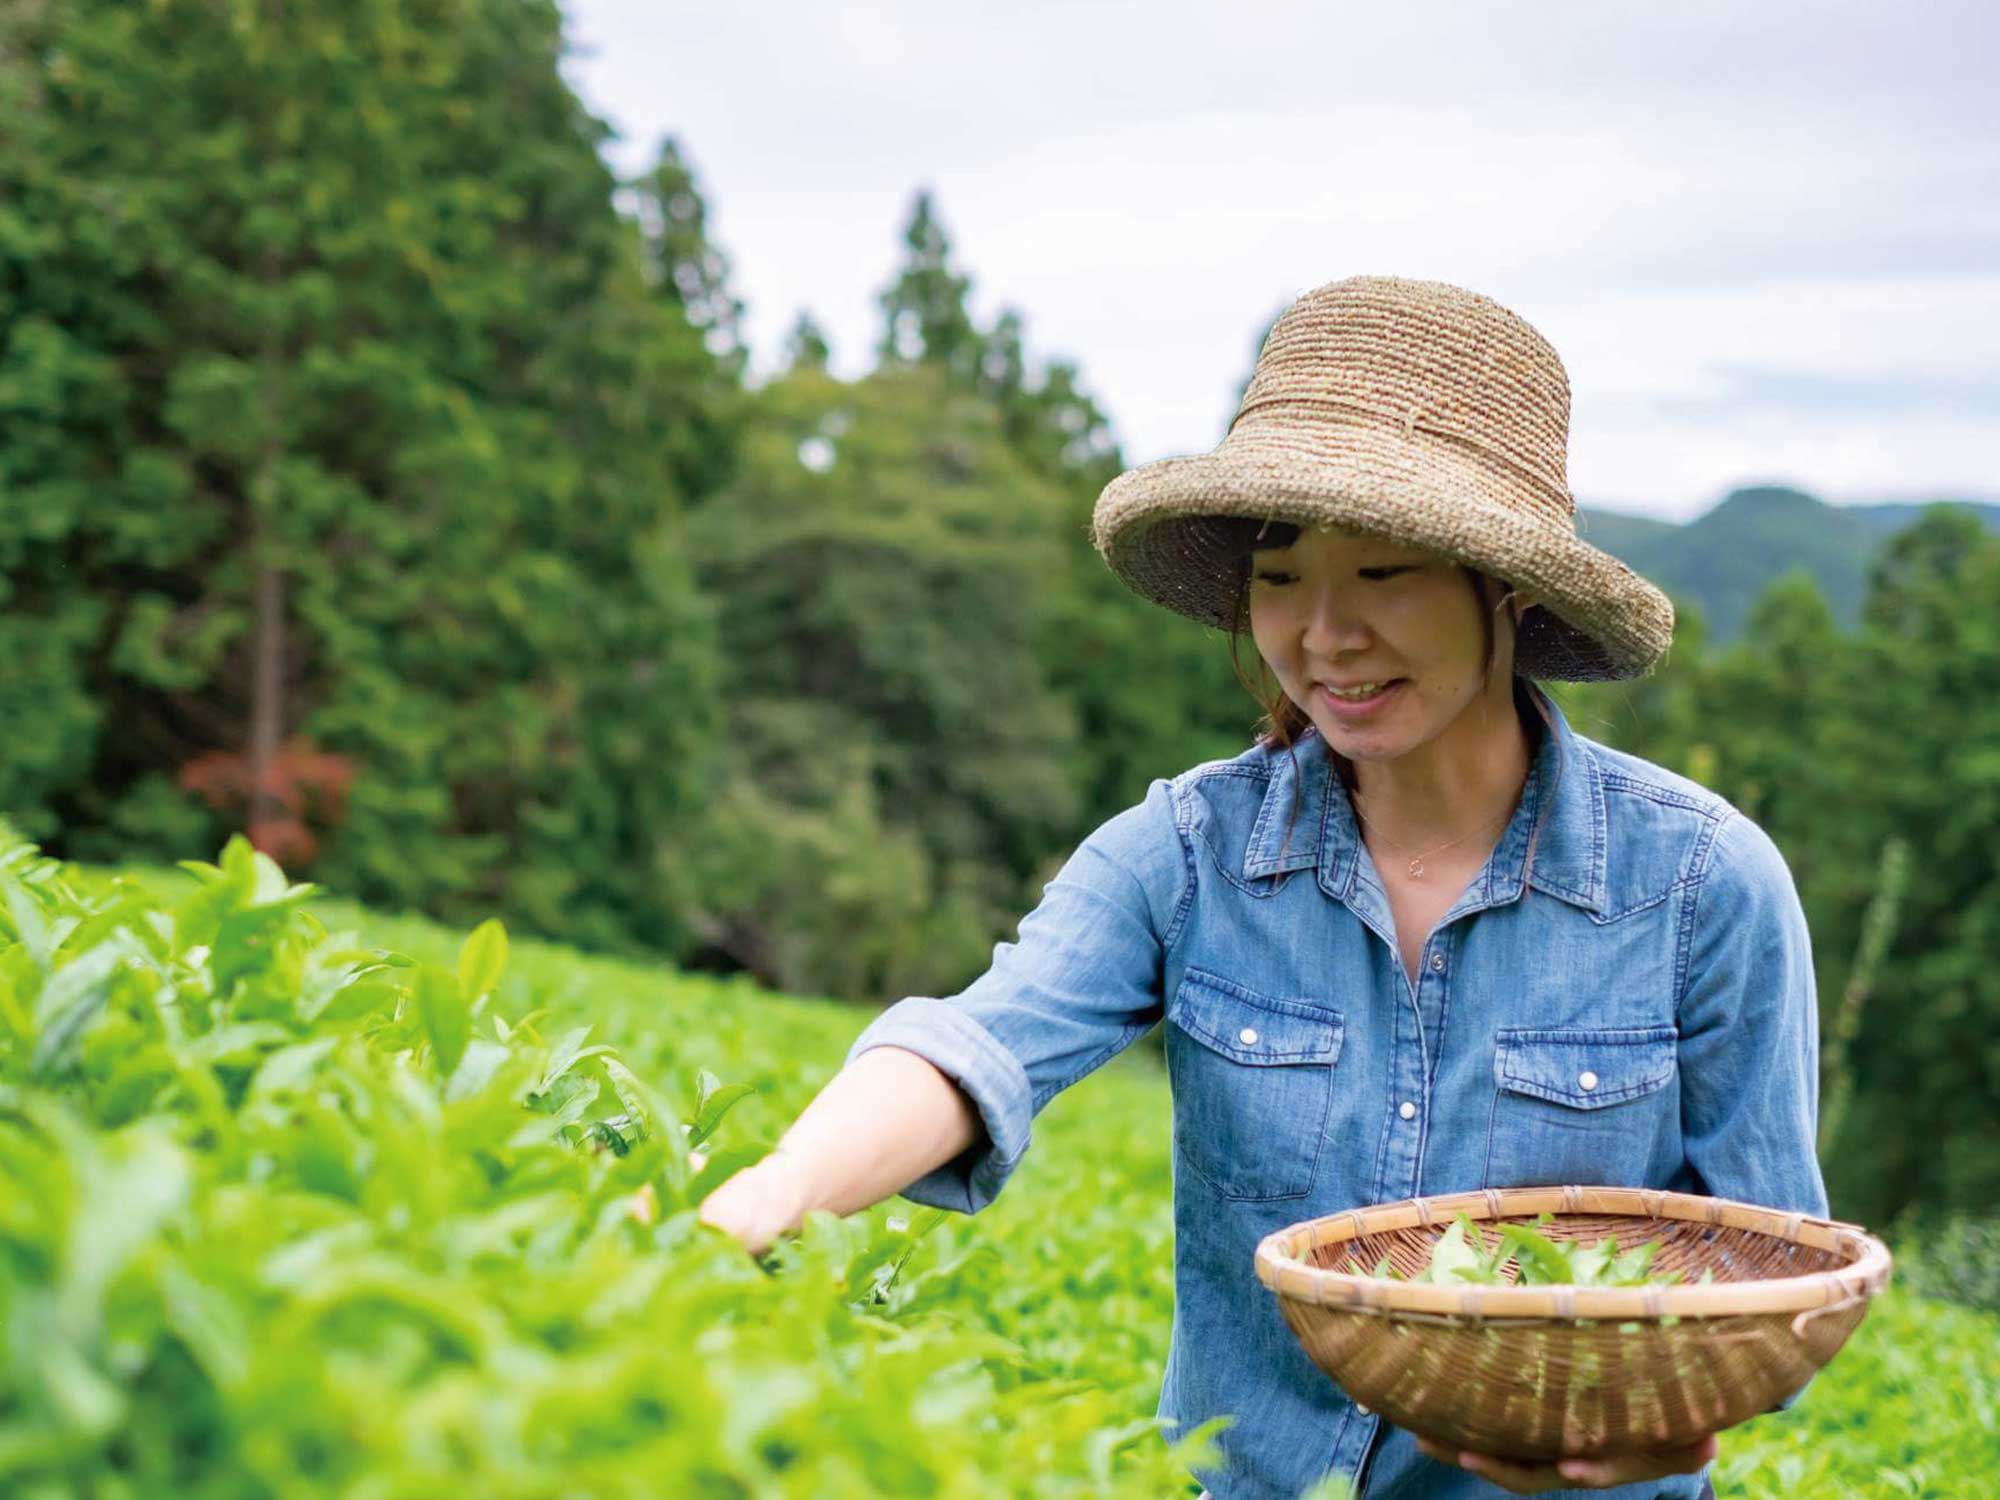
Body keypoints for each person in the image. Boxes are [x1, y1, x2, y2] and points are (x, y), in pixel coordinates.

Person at [697, 275, 1829, 1499]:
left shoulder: (1701, 884)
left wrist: (1655, 1428)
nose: (1322, 635)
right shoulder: (1189, 850)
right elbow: (981, 1044)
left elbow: (1771, 1273)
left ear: (1503, 587)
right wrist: (778, 1192)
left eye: (1383, 573)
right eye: (1281, 575)